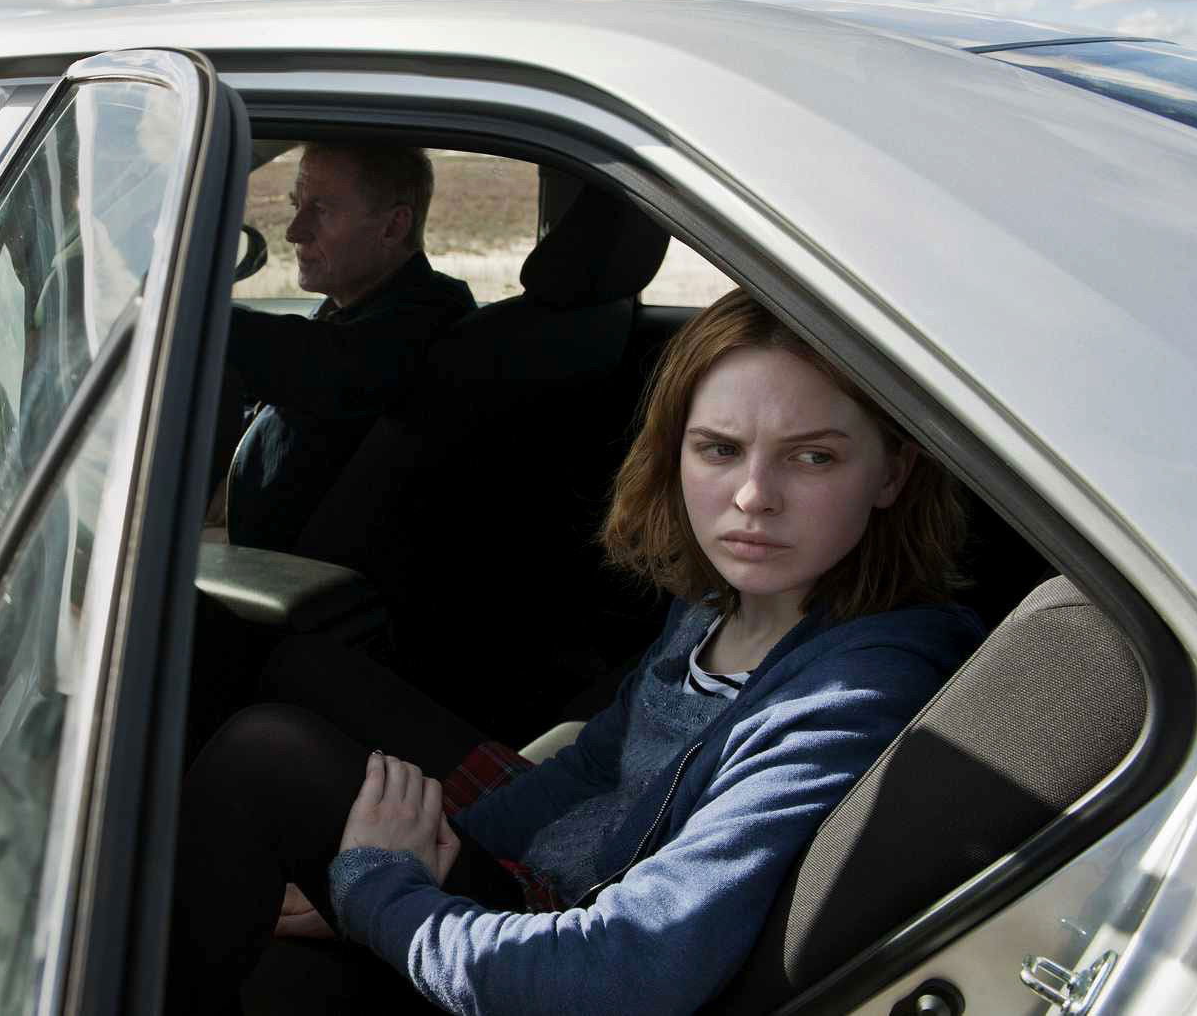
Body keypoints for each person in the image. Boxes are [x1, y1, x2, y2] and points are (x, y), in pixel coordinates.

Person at [169, 288, 983, 1014]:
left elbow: (630, 967)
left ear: (893, 472)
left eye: (813, 456)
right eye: (719, 448)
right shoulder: (719, 602)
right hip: (560, 873)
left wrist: (383, 889)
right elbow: (598, 762)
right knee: (301, 665)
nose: (752, 496)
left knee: (265, 754)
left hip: (572, 936)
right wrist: (446, 844)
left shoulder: (853, 694)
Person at [223, 143, 475, 553]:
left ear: (393, 227)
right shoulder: (361, 307)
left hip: (306, 578)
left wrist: (193, 314)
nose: (294, 231)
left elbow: (328, 367)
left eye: (321, 211)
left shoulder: (429, 320)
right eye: (297, 206)